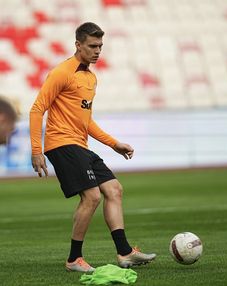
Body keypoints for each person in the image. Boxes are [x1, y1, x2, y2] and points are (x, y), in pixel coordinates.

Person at [29, 22, 156, 273]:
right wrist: (36, 150)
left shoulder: (90, 77)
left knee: (114, 189)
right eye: (92, 46)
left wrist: (114, 143)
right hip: (61, 143)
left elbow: (86, 122)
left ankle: (125, 252)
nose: (97, 51)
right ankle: (74, 258)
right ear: (78, 45)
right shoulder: (62, 72)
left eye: (100, 46)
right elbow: (37, 109)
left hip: (79, 144)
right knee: (92, 195)